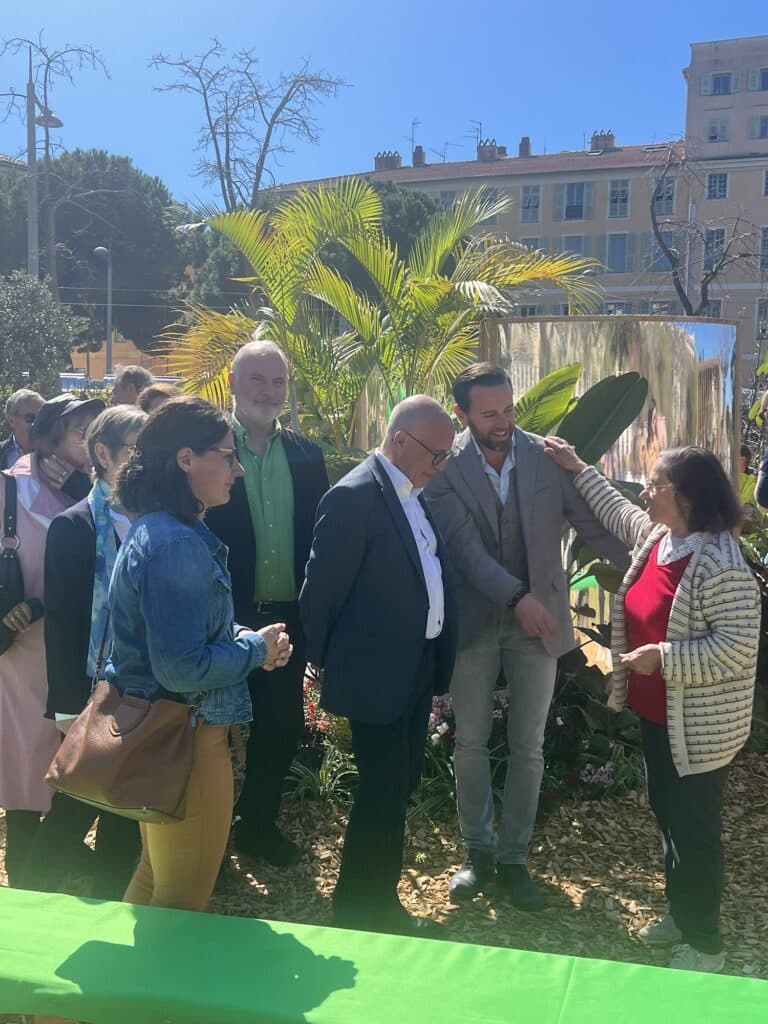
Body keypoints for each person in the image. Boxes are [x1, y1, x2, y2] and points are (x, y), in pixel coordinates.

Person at [545, 437, 759, 973]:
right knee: (668, 817)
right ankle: (680, 914)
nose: (646, 491)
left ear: (685, 496)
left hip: (699, 728)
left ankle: (706, 942)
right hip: (658, 715)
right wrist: (579, 468)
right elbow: (620, 513)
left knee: (694, 829)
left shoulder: (721, 562)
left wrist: (661, 658)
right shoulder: (663, 539)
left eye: (655, 483)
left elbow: (737, 646)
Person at [424, 363, 628, 910]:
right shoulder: (445, 468)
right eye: (489, 413)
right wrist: (519, 599)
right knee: (469, 741)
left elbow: (590, 525)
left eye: (509, 408)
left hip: (538, 626)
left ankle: (513, 859)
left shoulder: (546, 455)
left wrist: (654, 566)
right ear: (461, 414)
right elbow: (463, 552)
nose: (504, 421)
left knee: (528, 746)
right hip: (476, 622)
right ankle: (476, 853)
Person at [106, 397, 291, 911]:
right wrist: (256, 648)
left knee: (154, 881)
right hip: (187, 741)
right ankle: (144, 994)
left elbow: (186, 634)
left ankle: (122, 992)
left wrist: (251, 642)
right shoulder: (176, 543)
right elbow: (183, 668)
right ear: (185, 459)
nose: (237, 469)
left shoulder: (163, 529)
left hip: (168, 737)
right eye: (227, 456)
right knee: (181, 902)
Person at [300, 396, 457, 936]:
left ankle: (373, 899)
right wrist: (324, 663)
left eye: (445, 456)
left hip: (413, 667)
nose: (440, 466)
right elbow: (320, 594)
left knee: (398, 786)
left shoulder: (412, 493)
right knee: (382, 790)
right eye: (436, 454)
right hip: (375, 673)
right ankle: (361, 907)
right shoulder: (354, 497)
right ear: (400, 441)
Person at [206, 340, 329, 866]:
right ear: (233, 383)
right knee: (210, 727)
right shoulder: (209, 450)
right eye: (258, 379)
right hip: (221, 615)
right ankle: (202, 839)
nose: (270, 392)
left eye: (279, 382)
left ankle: (256, 825)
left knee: (280, 724)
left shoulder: (306, 455)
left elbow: (322, 538)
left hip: (285, 616)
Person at [21, 407, 147, 899]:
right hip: (91, 699)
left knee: (125, 813)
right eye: (135, 449)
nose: (145, 461)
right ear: (103, 453)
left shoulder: (155, 519)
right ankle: (27, 904)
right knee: (74, 807)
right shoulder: (73, 528)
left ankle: (115, 901)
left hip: (142, 695)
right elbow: (66, 626)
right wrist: (69, 709)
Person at [0, 393, 105, 886]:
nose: (89, 442)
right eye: (79, 432)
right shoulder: (10, 490)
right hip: (21, 652)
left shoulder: (94, 489)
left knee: (67, 748)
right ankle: (24, 866)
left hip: (73, 649)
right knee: (23, 757)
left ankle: (55, 852)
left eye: (94, 431)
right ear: (50, 436)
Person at [0, 389, 44, 470]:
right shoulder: (2, 453)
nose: (37, 423)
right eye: (30, 418)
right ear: (11, 420)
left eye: (41, 417)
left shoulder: (55, 454)